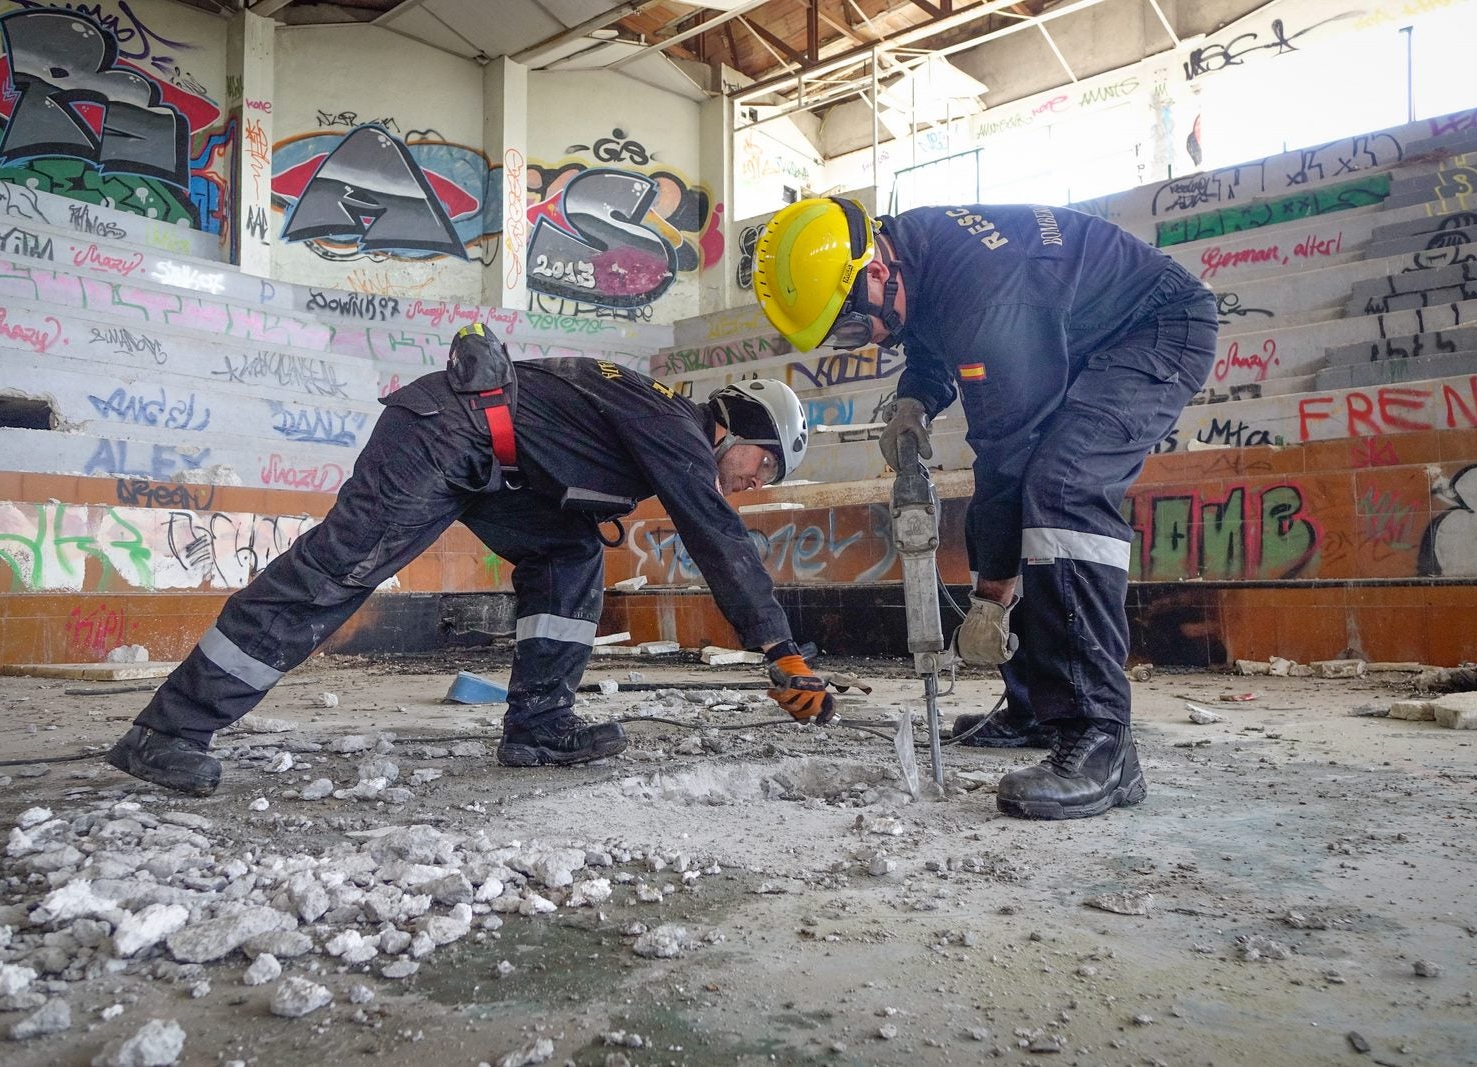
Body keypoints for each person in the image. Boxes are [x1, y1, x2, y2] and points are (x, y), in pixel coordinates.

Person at [107, 324, 835, 796]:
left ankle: (539, 725)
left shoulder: (660, 423)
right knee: (340, 568)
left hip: (492, 465)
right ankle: (168, 728)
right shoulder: (677, 425)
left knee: (568, 551)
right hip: (447, 434)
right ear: (737, 426)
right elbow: (715, 534)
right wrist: (780, 647)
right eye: (763, 464)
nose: (755, 483)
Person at [752, 198, 1216, 820]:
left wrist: (993, 595)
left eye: (857, 324)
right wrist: (916, 398)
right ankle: (1033, 710)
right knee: (1031, 493)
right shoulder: (916, 253)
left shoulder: (988, 295)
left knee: (1060, 489)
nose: (872, 339)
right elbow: (933, 337)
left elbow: (1007, 454)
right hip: (1079, 328)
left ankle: (1102, 743)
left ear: (876, 270)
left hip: (1157, 327)